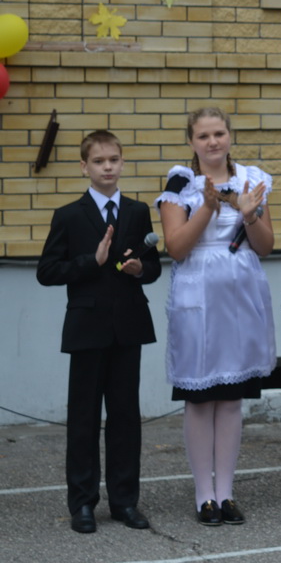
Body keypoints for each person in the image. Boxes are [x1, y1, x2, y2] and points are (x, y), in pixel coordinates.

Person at [36, 130, 162, 534]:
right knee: (84, 418)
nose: (107, 167)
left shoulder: (137, 211)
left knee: (125, 417)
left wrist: (140, 270)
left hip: (128, 326)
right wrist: (92, 260)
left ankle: (125, 501)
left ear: (122, 163)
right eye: (98, 161)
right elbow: (47, 271)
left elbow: (154, 267)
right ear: (84, 167)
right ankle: (83, 503)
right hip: (87, 327)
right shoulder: (69, 215)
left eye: (113, 160)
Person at [157, 107, 276, 525]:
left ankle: (225, 492)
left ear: (230, 135)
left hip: (240, 297)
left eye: (219, 133)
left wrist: (249, 214)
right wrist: (207, 208)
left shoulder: (251, 178)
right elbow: (176, 247)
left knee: (230, 398)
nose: (212, 142)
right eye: (204, 136)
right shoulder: (180, 183)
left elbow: (265, 246)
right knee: (200, 398)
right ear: (191, 141)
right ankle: (203, 495)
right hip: (199, 298)